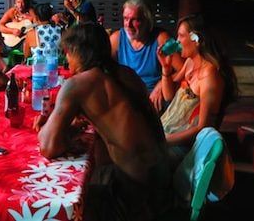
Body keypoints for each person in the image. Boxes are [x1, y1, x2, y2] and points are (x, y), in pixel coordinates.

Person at [34, 23, 172, 221]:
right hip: (161, 184)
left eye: (68, 53)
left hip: (135, 199)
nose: (66, 59)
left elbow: (48, 147)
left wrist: (46, 127)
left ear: (78, 52)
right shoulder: (127, 74)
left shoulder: (78, 84)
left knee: (73, 198)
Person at [159, 14, 237, 158]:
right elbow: (169, 96)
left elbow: (203, 127)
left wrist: (165, 141)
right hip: (168, 136)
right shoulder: (189, 63)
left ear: (196, 40)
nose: (177, 41)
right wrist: (166, 70)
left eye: (181, 36)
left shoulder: (210, 76)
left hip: (184, 146)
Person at [109, 0, 184, 103]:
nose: (128, 25)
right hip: (126, 100)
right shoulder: (116, 38)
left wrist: (162, 83)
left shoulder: (162, 38)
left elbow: (185, 70)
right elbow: (102, 68)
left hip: (153, 101)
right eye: (125, 19)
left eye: (135, 20)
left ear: (147, 21)